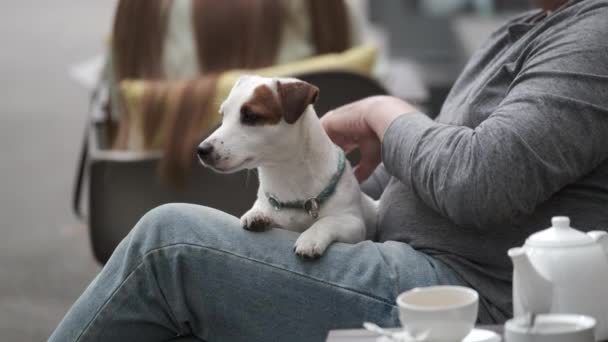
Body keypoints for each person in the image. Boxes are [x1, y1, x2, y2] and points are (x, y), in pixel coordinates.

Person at [49, 0, 608, 341]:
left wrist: (381, 112)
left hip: (465, 295)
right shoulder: (525, 30)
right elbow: (429, 166)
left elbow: (479, 183)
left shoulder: (592, 39)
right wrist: (333, 188)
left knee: (165, 244)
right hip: (394, 256)